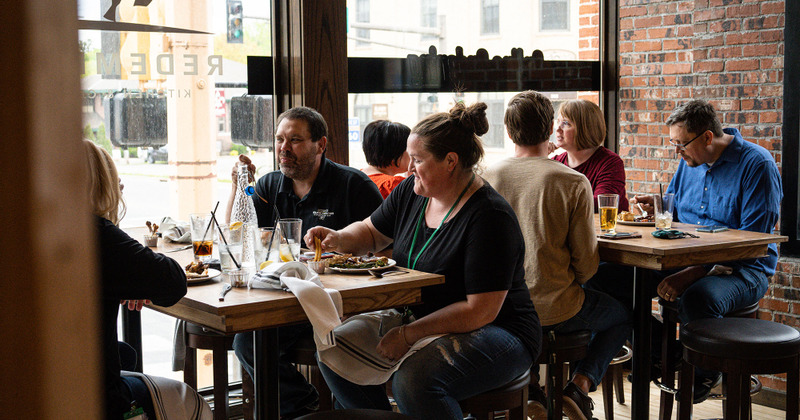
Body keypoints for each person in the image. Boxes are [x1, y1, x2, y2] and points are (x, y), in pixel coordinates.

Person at [304, 102, 541, 419]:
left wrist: (407, 335)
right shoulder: (412, 192)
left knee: (414, 381)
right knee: (334, 350)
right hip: (420, 319)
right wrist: (339, 237)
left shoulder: (489, 216)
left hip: (500, 331)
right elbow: (372, 232)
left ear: (450, 162)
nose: (408, 168)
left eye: (417, 160)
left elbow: (480, 310)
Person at [587, 99, 783, 403]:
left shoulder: (757, 165)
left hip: (744, 270)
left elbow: (751, 242)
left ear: (707, 137)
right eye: (673, 144)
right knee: (602, 279)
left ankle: (707, 374)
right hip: (680, 259)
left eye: (681, 145)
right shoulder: (689, 162)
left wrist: (694, 272)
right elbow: (676, 210)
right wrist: (660, 208)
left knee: (697, 296)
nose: (676, 152)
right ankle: (668, 351)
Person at [226, 106, 383, 419]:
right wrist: (237, 184)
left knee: (338, 344)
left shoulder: (354, 185)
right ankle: (302, 407)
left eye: (295, 140)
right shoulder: (271, 186)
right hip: (289, 299)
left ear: (320, 145)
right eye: (280, 139)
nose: (284, 148)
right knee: (247, 341)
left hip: (342, 303)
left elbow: (386, 249)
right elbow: (236, 231)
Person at [484, 91, 632, 420]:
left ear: (508, 132)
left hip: (498, 308)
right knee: (624, 314)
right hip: (555, 309)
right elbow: (587, 264)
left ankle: (532, 389)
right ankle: (579, 384)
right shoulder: (571, 180)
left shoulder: (486, 177)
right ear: (550, 128)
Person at [84, 140, 205, 419]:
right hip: (93, 393)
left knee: (125, 353)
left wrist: (130, 278)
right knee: (194, 404)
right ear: (104, 185)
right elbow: (173, 282)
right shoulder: (97, 234)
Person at [551, 99, 629, 211]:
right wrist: (540, 156)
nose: (557, 129)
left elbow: (601, 203)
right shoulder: (555, 162)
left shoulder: (610, 162)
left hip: (605, 228)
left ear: (584, 129)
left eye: (566, 123)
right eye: (558, 122)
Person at [360, 119, 411, 198]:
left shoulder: (357, 177)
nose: (413, 156)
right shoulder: (392, 185)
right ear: (395, 154)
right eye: (410, 151)